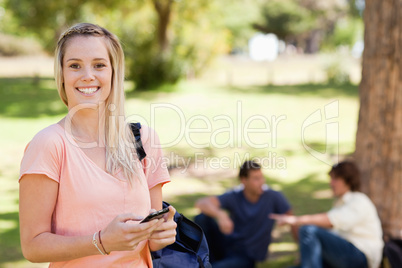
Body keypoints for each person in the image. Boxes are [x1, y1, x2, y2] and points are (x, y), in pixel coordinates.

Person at [19, 23, 177, 267]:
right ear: (61, 74)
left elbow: (152, 240)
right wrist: (102, 241)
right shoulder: (49, 144)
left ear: (114, 71)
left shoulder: (144, 140)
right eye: (74, 65)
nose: (87, 75)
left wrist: (161, 234)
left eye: (99, 65)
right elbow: (32, 246)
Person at [270, 161, 384, 268]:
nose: (331, 183)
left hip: (359, 256)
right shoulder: (339, 204)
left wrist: (296, 220)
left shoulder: (358, 200)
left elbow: (331, 221)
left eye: (335, 179)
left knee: (308, 230)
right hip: (342, 255)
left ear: (348, 181)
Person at [194, 160, 295, 268]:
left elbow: (293, 221)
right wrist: (221, 215)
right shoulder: (235, 195)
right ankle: (206, 262)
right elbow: (201, 203)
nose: (261, 182)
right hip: (228, 245)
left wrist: (303, 253)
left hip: (247, 256)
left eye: (261, 177)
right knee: (202, 218)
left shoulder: (273, 196)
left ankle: (207, 265)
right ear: (244, 180)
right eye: (256, 179)